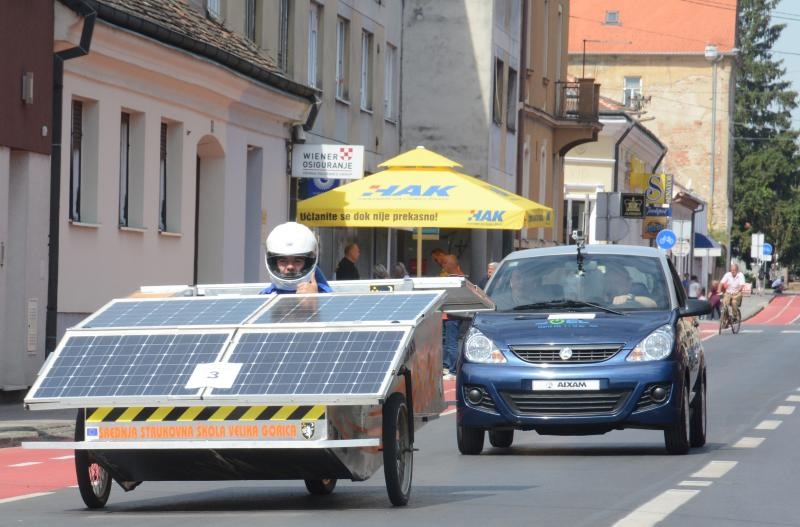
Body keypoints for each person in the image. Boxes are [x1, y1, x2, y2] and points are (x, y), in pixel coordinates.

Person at [261, 222, 332, 294]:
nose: (290, 266)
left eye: (297, 261)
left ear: (308, 263)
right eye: (283, 261)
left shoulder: (325, 295)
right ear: (273, 263)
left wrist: (316, 298)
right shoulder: (266, 295)